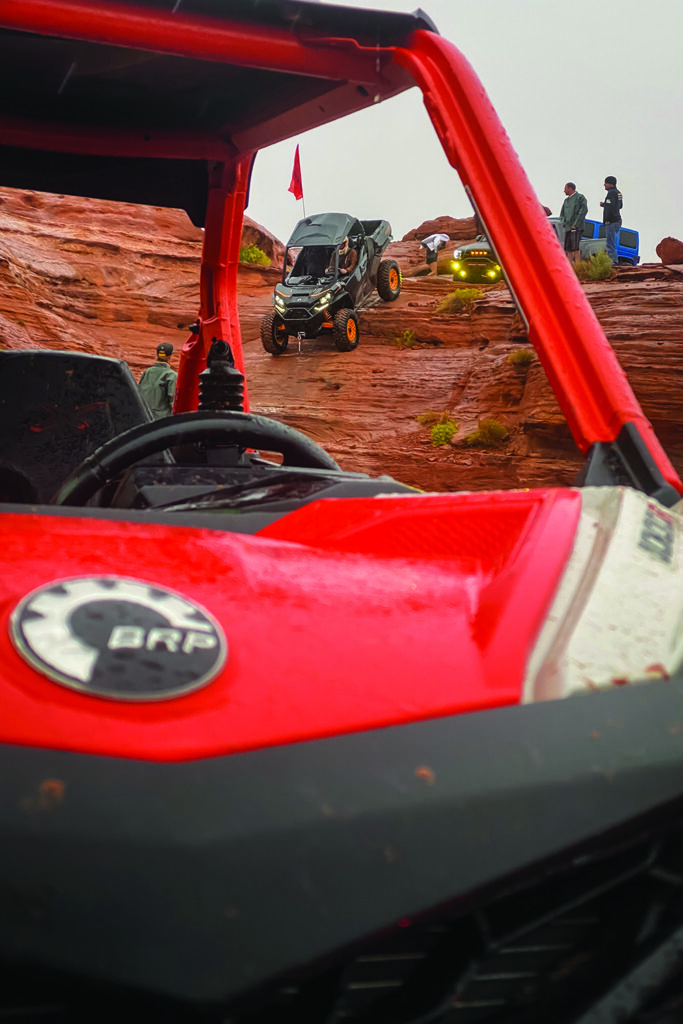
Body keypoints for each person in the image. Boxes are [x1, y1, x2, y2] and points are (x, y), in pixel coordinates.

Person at [138, 342, 177, 418]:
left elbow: (139, 393)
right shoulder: (171, 375)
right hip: (161, 421)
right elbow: (173, 400)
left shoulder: (147, 372)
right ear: (170, 356)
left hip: (144, 417)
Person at [559, 182, 588, 263]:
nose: (564, 191)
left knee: (575, 247)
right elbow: (562, 214)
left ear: (570, 188)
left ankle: (577, 265)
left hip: (576, 228)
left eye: (565, 188)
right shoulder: (566, 201)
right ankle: (570, 266)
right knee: (568, 248)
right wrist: (564, 222)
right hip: (568, 228)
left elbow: (583, 210)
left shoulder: (580, 197)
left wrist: (576, 224)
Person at [600, 175, 623, 267]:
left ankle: (613, 262)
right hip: (617, 220)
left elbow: (610, 207)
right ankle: (613, 261)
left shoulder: (611, 193)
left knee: (610, 243)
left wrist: (607, 220)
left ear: (610, 184)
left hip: (612, 221)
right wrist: (605, 204)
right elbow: (619, 206)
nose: (604, 185)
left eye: (605, 183)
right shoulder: (618, 193)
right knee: (611, 242)